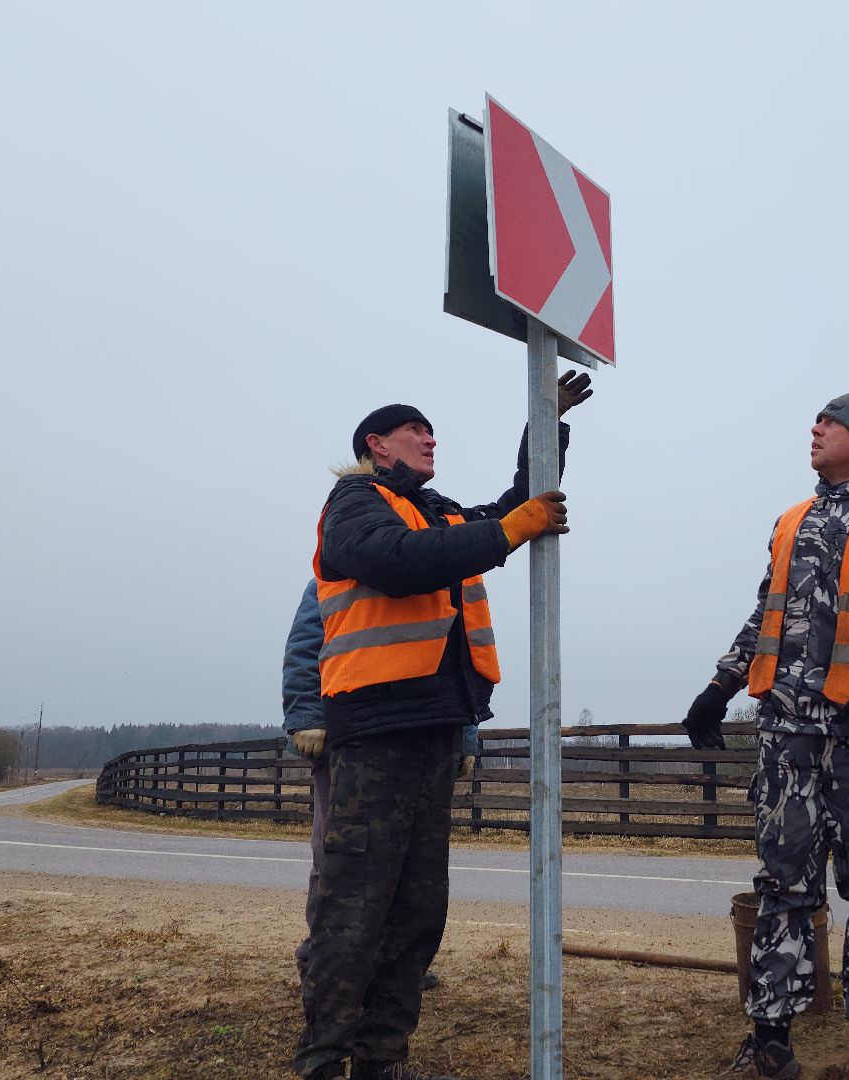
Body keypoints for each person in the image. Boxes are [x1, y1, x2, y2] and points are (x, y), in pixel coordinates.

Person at [293, 372, 590, 1080]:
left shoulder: (436, 514)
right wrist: (509, 529)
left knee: (416, 912)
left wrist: (546, 422)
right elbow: (395, 563)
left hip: (434, 729)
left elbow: (514, 507)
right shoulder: (355, 504)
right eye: (414, 430)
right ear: (377, 445)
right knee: (353, 907)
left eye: (432, 430)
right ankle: (323, 1060)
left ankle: (382, 1059)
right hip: (375, 732)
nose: (430, 438)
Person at [684, 394, 849, 1080]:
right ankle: (769, 1043)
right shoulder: (791, 519)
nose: (815, 428)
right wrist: (720, 683)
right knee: (782, 886)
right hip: (787, 732)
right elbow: (766, 610)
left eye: (829, 421)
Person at [283, 582, 469, 1000]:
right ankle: (323, 961)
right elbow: (306, 645)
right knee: (340, 855)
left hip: (414, 735)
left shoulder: (437, 575)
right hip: (347, 737)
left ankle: (393, 965)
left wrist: (466, 735)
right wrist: (308, 716)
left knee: (407, 861)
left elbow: (457, 661)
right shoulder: (337, 576)